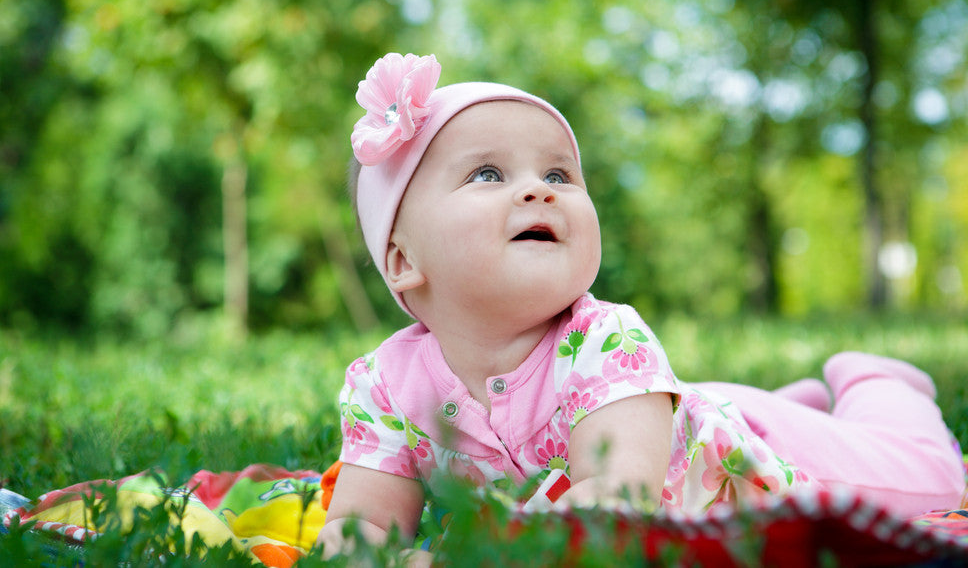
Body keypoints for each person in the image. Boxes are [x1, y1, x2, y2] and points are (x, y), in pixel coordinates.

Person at [316, 52, 965, 554]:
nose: (539, 191)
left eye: (558, 174)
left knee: (928, 479)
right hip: (673, 418)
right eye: (488, 173)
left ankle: (880, 381)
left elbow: (617, 500)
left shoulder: (603, 338)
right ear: (403, 261)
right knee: (720, 409)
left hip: (748, 471)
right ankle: (795, 404)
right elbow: (362, 522)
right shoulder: (386, 385)